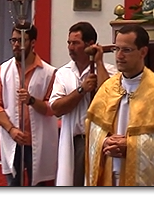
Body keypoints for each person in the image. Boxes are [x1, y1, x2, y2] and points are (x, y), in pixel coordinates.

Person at [85, 24, 154, 186]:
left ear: (143, 52)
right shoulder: (107, 89)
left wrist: (130, 146)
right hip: (109, 175)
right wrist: (104, 141)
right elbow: (92, 129)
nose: (119, 56)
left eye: (126, 50)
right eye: (117, 49)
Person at [0, 25, 58, 186]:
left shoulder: (49, 73)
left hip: (38, 142)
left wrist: (32, 101)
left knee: (40, 185)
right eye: (13, 40)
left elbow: (52, 108)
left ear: (32, 42)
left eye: (21, 41)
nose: (16, 45)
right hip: (13, 140)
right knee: (14, 185)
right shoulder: (4, 70)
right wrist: (11, 129)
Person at [49, 22, 116, 186]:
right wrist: (81, 90)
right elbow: (56, 108)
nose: (70, 47)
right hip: (76, 141)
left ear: (90, 44)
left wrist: (98, 62)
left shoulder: (111, 71)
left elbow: (110, 99)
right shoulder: (63, 73)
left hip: (102, 140)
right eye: (69, 43)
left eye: (76, 43)